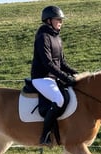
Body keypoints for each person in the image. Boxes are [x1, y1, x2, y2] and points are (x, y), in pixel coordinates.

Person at [31, 5, 78, 146]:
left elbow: (62, 63)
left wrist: (76, 73)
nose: (61, 23)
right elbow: (48, 64)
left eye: (61, 20)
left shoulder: (57, 38)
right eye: (58, 20)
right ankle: (44, 135)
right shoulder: (43, 37)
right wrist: (65, 78)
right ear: (48, 20)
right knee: (59, 100)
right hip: (41, 78)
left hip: (53, 78)